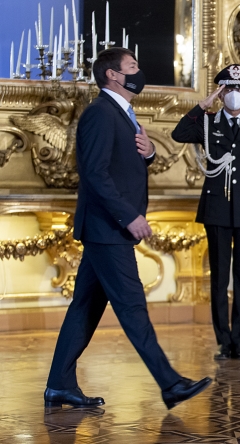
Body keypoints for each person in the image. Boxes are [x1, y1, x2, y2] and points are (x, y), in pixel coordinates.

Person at [44, 48, 212, 410]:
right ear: (113, 75)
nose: (139, 71)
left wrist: (149, 152)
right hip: (107, 229)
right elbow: (94, 174)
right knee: (132, 307)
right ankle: (170, 384)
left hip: (108, 230)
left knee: (85, 307)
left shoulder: (122, 114)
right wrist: (128, 216)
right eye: (132, 66)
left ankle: (58, 385)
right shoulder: (100, 114)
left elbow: (123, 163)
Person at [171, 64, 240, 361]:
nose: (235, 93)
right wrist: (203, 105)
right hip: (217, 208)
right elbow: (179, 133)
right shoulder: (208, 122)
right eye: (229, 89)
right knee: (219, 278)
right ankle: (223, 341)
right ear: (221, 92)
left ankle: (239, 341)